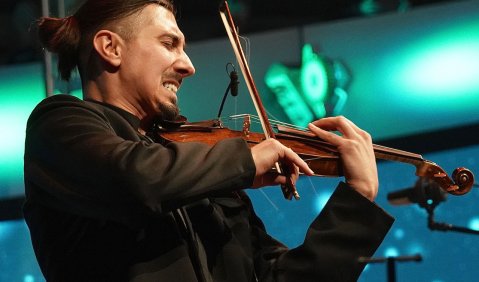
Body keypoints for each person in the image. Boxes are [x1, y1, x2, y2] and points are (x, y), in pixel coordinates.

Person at [23, 0, 394, 281]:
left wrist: (357, 200)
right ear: (111, 48)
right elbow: (135, 179)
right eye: (170, 43)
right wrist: (245, 161)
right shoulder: (59, 124)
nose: (188, 65)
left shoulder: (198, 166)